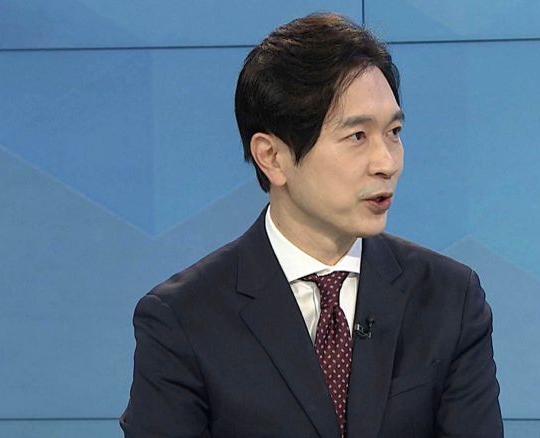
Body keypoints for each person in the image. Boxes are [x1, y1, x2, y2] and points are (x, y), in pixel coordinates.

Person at [121, 12, 502, 438]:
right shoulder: (182, 319)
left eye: (394, 132)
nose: (387, 162)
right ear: (272, 157)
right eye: (357, 136)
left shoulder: (450, 299)